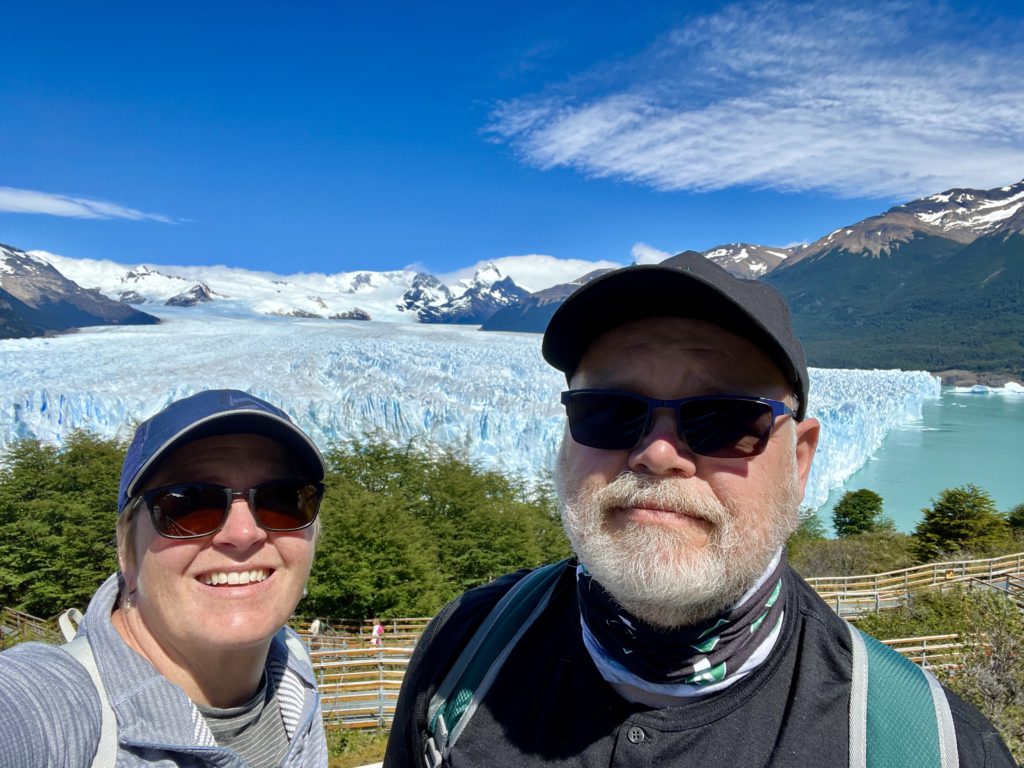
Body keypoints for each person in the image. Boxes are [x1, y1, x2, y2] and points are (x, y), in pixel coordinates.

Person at [385, 252, 1014, 767]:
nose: (657, 455)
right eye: (609, 412)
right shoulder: (463, 652)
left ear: (799, 461)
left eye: (724, 420)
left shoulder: (928, 748)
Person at [0, 389, 329, 766]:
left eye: (282, 500)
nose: (243, 533)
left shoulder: (295, 667)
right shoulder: (56, 707)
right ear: (127, 552)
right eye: (190, 504)